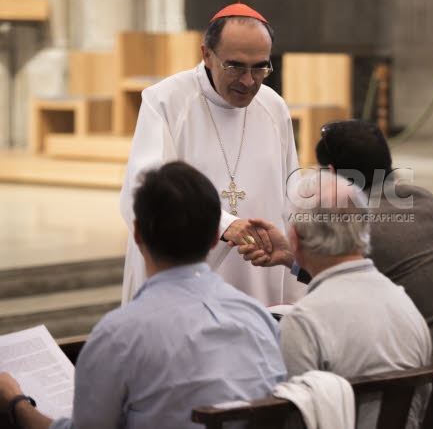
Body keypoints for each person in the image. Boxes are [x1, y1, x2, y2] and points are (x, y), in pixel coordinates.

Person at [240, 120, 433, 427]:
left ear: (332, 173)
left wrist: (295, 256)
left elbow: (344, 276)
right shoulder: (428, 200)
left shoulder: (365, 222)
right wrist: (292, 258)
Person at [0, 161, 286, 428]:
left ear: (137, 233)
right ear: (215, 237)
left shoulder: (119, 336)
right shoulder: (258, 319)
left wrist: (16, 403)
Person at [119, 2, 306, 306]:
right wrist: (223, 225)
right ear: (206, 54)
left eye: (260, 67)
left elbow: (291, 199)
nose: (248, 81)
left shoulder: (273, 107)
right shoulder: (166, 102)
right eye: (235, 66)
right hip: (184, 281)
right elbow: (145, 193)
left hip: (260, 277)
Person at [280, 171, 432, 429]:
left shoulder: (302, 323)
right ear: (364, 230)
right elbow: (420, 407)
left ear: (294, 240)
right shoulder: (406, 305)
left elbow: (294, 422)